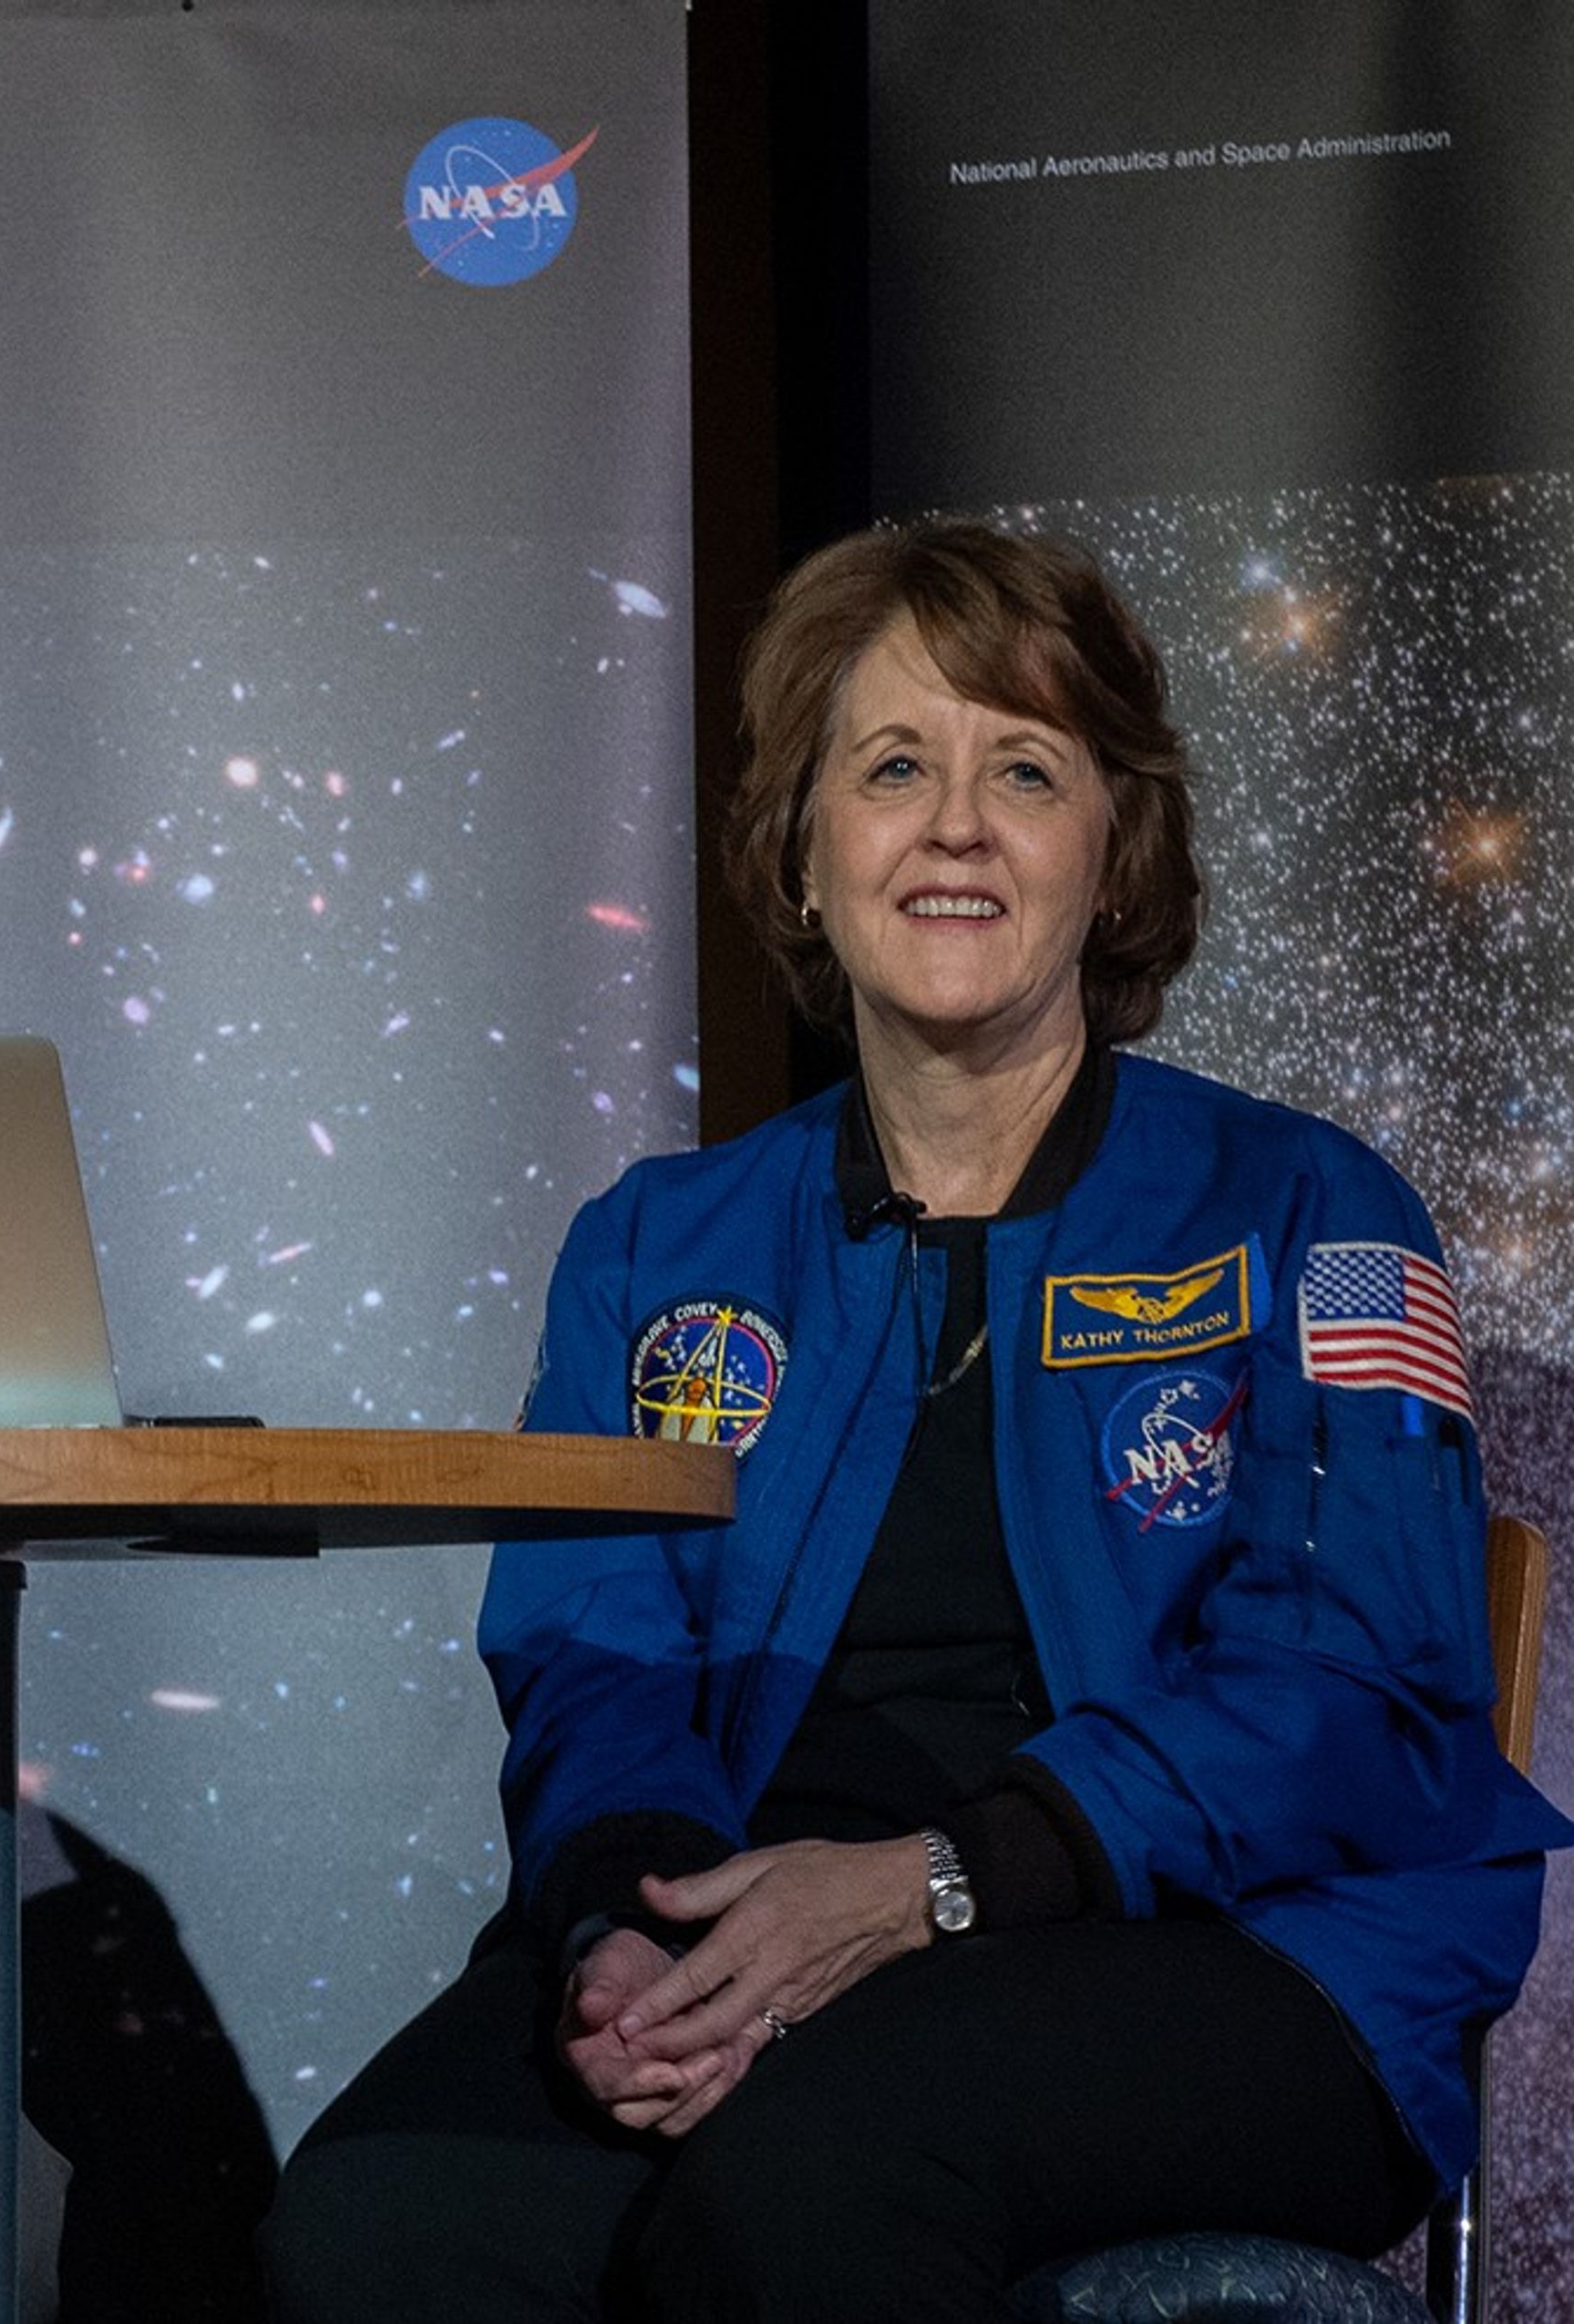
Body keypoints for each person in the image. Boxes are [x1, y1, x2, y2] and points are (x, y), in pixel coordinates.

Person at [263, 520, 1570, 2320]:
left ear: (1116, 855)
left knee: (818, 2172)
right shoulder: (656, 1246)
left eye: (1024, 770)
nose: (955, 825)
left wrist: (942, 1881)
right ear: (804, 849)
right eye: (893, 767)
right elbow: (594, 1663)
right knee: (383, 2223)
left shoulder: (1315, 1214)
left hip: (1241, 1948)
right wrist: (634, 1934)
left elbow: (1350, 1692)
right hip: (762, 1921)